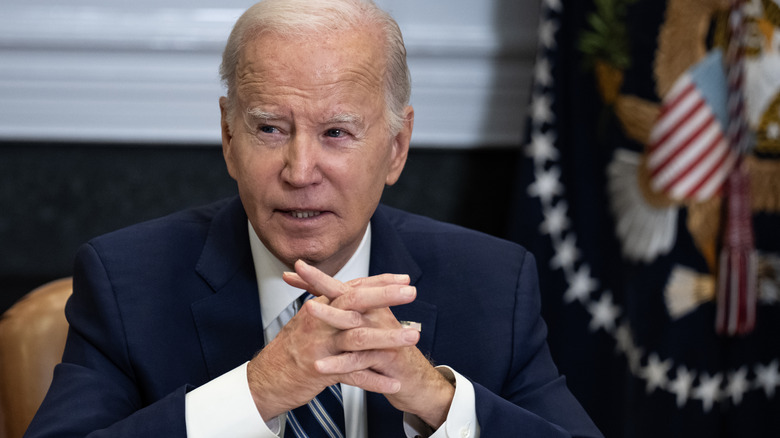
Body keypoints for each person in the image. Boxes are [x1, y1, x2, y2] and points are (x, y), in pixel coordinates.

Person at [25, 0, 603, 437]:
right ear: (228, 136)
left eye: (336, 133)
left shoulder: (493, 282)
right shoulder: (126, 280)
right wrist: (254, 392)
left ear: (397, 147)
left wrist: (437, 400)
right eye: (270, 128)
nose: (301, 171)